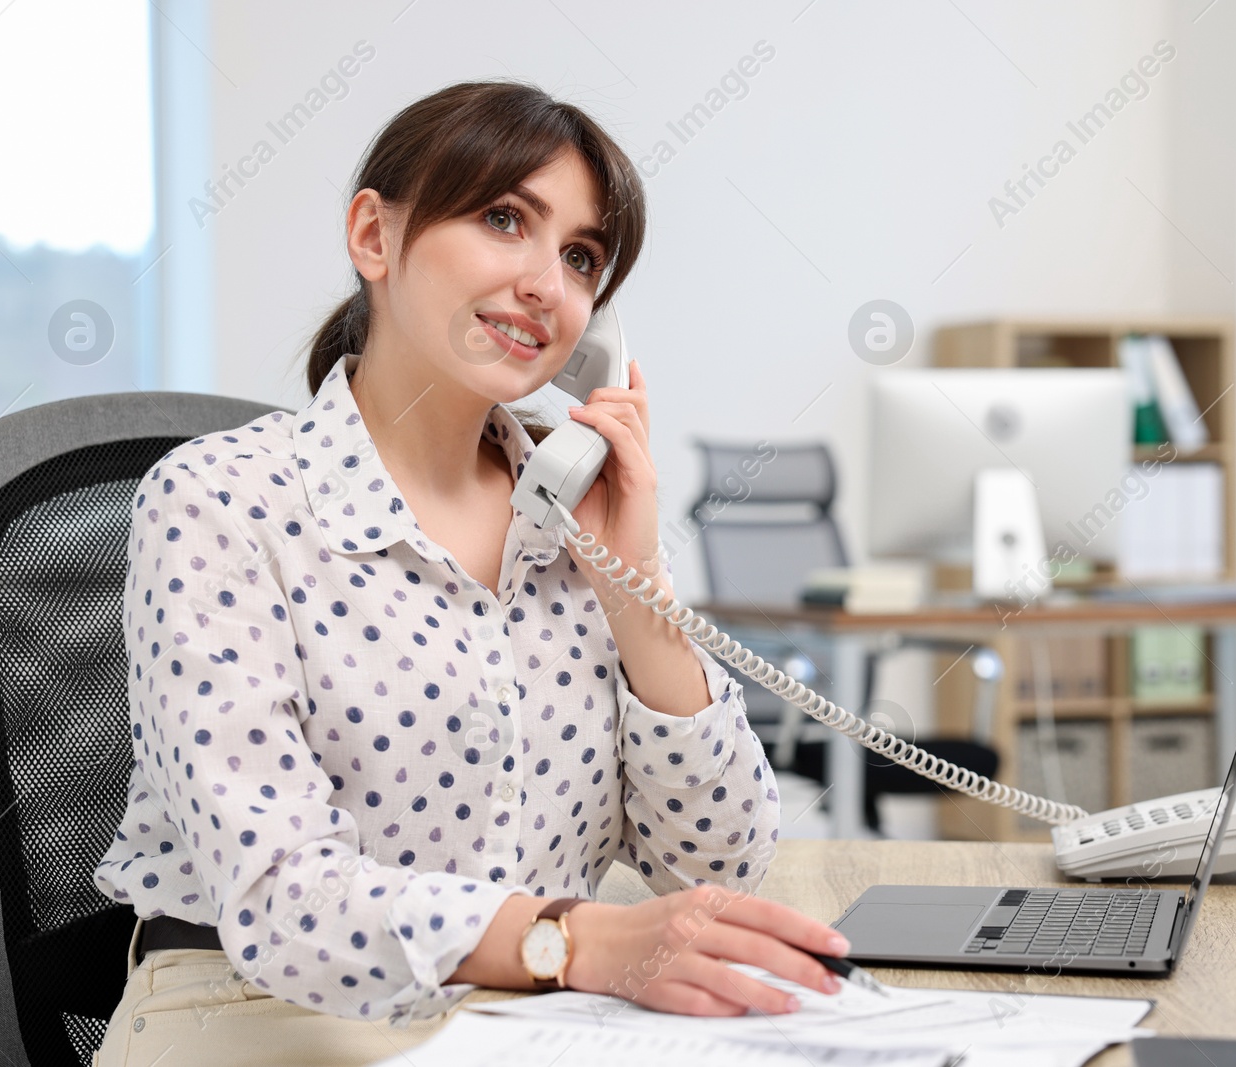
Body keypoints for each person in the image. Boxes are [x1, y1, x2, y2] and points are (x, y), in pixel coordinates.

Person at [90, 79, 852, 1067]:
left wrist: (636, 592)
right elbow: (282, 895)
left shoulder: (577, 511)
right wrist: (574, 939)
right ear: (374, 235)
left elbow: (714, 860)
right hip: (258, 1011)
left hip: (531, 1019)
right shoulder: (220, 502)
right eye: (505, 219)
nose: (548, 284)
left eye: (582, 257)